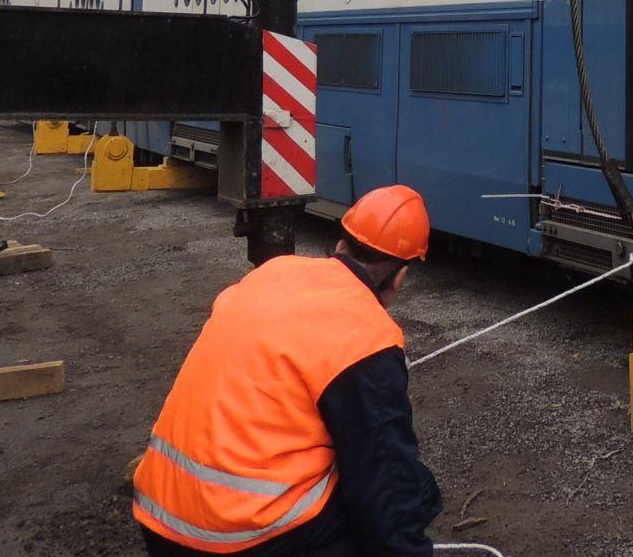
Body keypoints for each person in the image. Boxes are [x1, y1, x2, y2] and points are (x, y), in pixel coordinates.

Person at [133, 185, 443, 556]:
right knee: (409, 490)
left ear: (341, 244)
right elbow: (385, 483)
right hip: (238, 540)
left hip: (158, 519)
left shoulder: (272, 273)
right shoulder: (368, 334)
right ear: (400, 277)